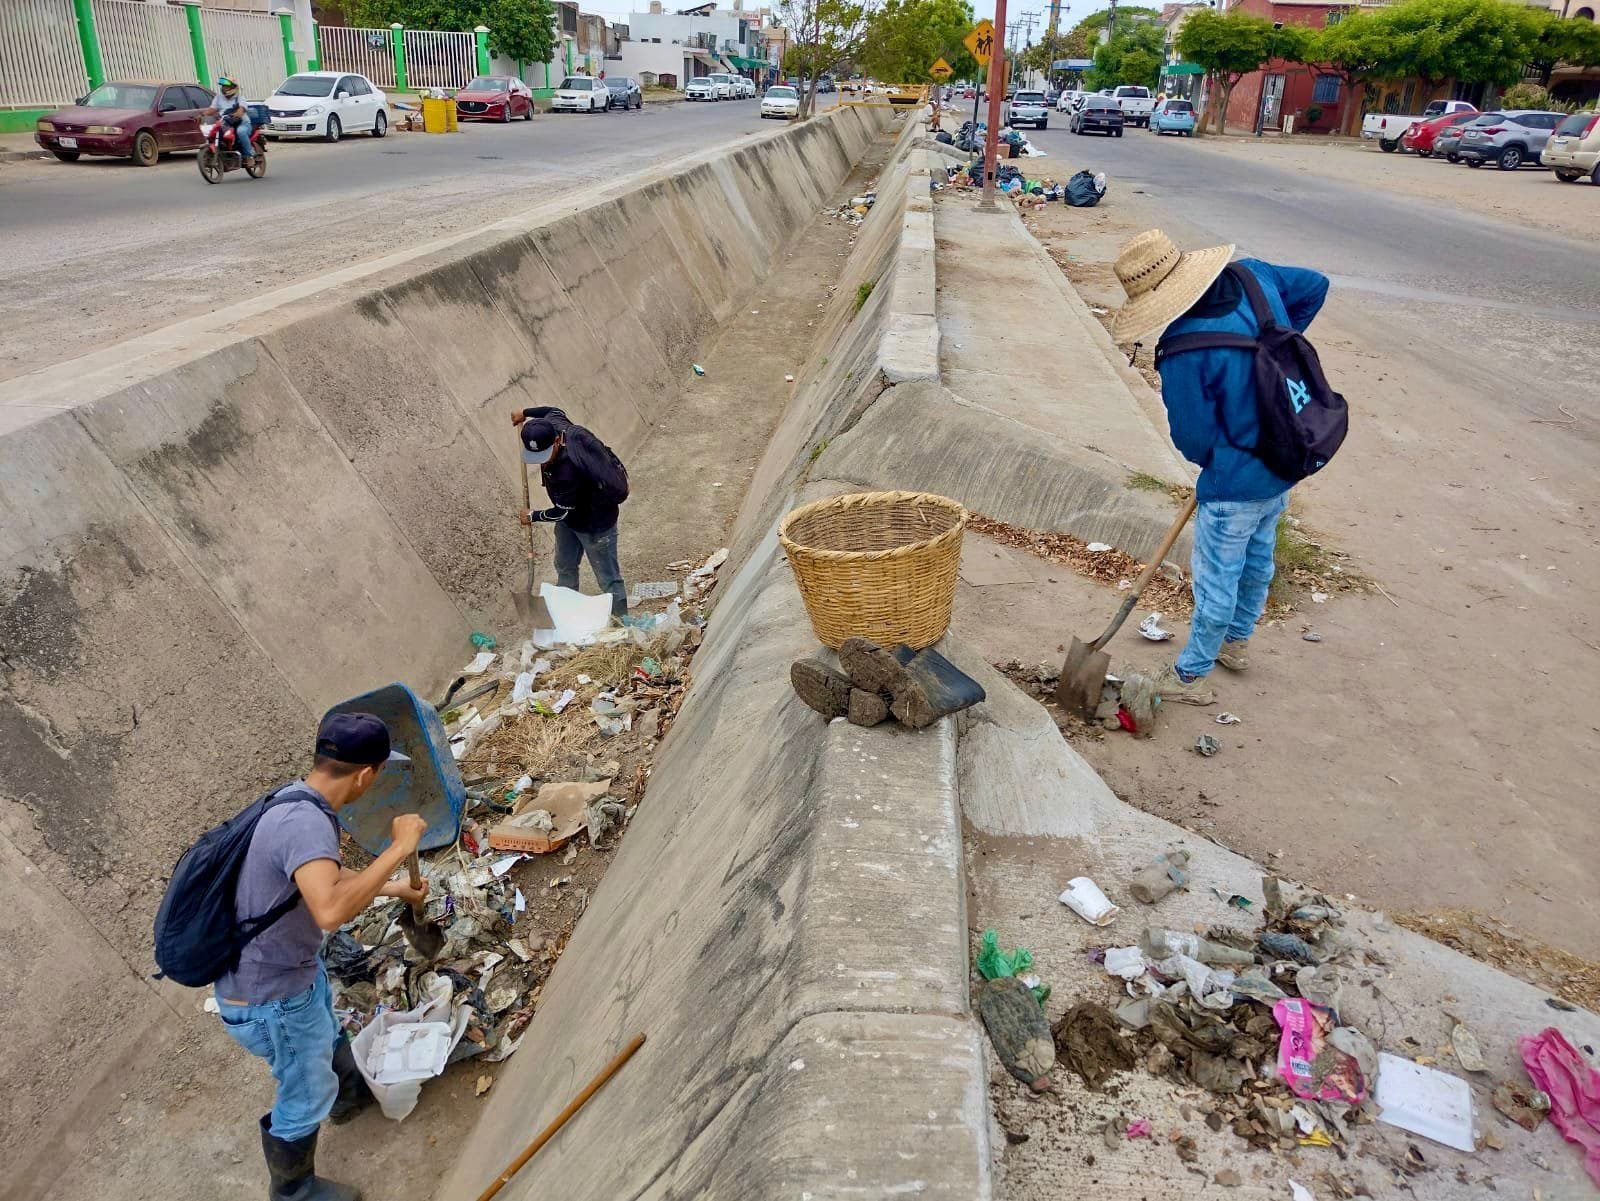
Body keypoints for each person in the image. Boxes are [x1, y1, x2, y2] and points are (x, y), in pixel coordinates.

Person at [214, 713, 429, 1201]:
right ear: (365, 775)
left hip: (288, 979)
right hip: (269, 998)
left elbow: (325, 881)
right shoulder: (307, 824)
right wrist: (398, 850)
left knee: (325, 1035)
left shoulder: (295, 801)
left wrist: (395, 887)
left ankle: (348, 1094)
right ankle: (294, 1192)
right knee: (303, 1091)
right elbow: (330, 911)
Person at [1111, 228, 1329, 705]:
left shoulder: (1183, 351)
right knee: (1257, 560)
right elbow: (1315, 285)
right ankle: (1237, 644)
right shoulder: (1254, 276)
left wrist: (1222, 456)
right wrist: (1274, 350)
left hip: (1234, 482)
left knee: (1217, 578)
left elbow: (1193, 438)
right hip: (1289, 455)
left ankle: (1191, 676)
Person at [511, 406, 631, 616]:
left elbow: (562, 513)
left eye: (545, 455)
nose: (541, 461)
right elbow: (553, 410)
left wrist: (533, 515)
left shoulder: (567, 472)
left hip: (596, 524)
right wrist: (526, 412)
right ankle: (566, 611)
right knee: (564, 565)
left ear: (557, 441)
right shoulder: (555, 424)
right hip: (571, 519)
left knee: (608, 577)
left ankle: (621, 622)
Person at [204, 75, 255, 165]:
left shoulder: (240, 98)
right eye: (223, 86)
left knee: (241, 132)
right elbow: (212, 109)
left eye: (226, 86)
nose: (223, 88)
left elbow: (241, 109)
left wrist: (236, 114)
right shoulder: (218, 97)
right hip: (226, 123)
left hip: (242, 123)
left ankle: (249, 156)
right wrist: (202, 115)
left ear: (233, 87)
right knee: (215, 132)